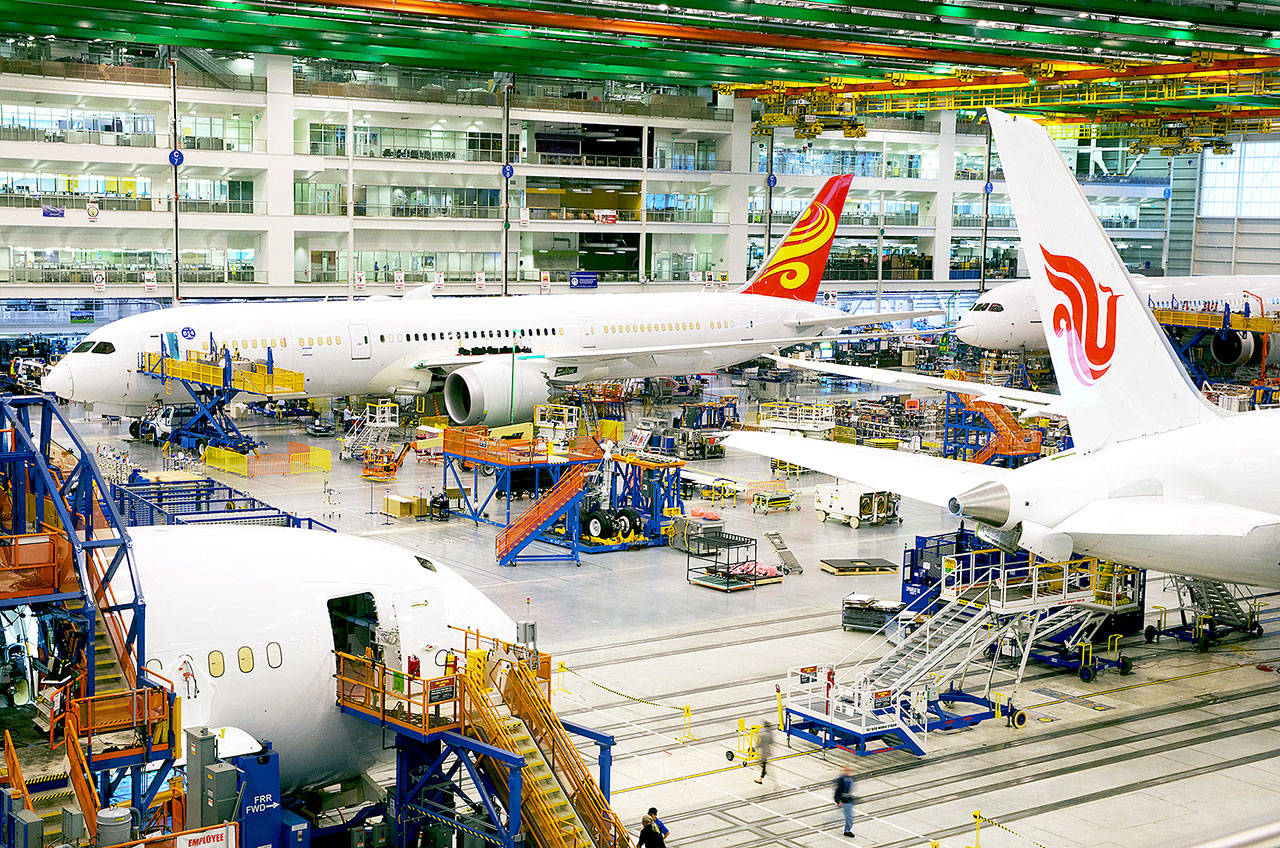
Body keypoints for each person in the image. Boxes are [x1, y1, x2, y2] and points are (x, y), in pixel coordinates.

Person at [834, 766, 856, 838]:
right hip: (844, 800)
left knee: (849, 816)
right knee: (849, 817)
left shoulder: (850, 778)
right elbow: (838, 791)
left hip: (848, 799)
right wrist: (838, 801)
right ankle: (847, 831)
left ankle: (847, 830)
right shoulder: (842, 779)